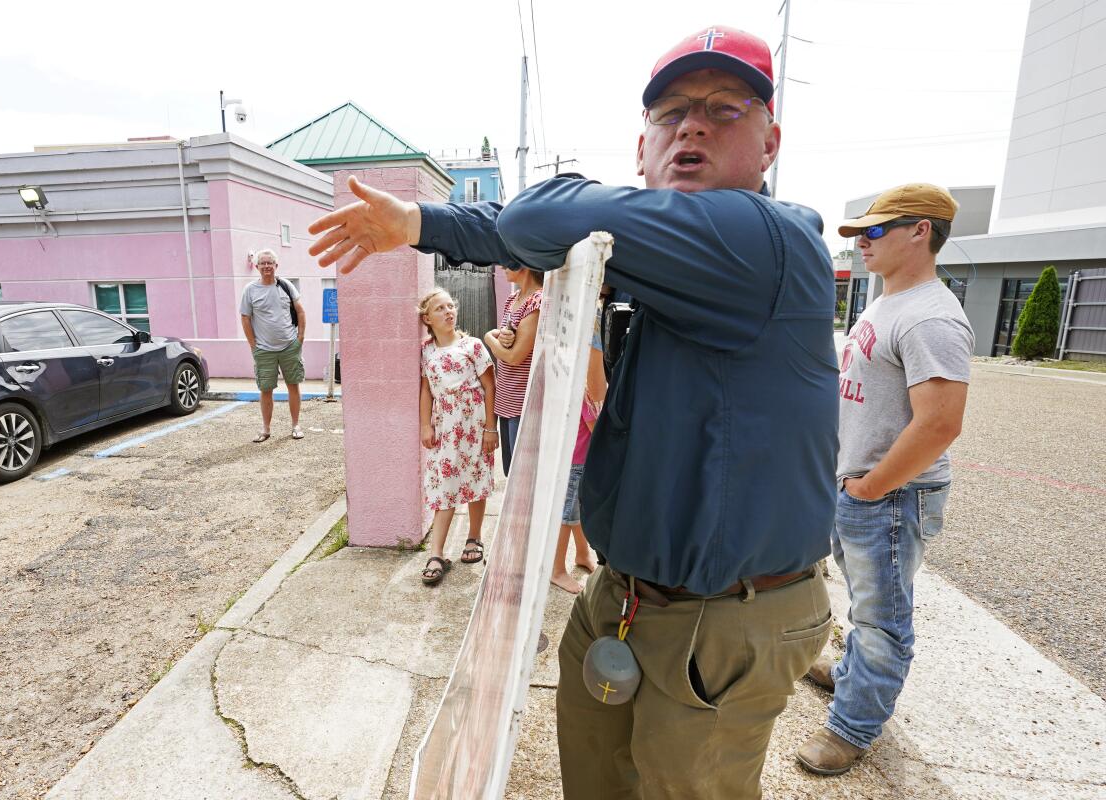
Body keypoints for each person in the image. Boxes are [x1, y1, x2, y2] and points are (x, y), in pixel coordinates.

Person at [308, 25, 838, 800]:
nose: (691, 124)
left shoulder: (765, 242)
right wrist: (419, 224)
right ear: (643, 148)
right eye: (670, 112)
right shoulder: (664, 256)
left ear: (770, 142)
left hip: (722, 618)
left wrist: (531, 205)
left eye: (726, 108)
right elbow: (535, 236)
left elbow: (547, 222)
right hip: (627, 595)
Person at [795, 184, 973, 776]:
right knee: (866, 602)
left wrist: (869, 487)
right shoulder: (887, 302)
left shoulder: (932, 317)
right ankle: (853, 676)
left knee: (882, 618)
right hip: (862, 486)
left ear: (921, 230)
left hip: (890, 495)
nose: (861, 244)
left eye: (874, 232)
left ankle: (852, 727)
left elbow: (941, 424)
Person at [417, 288, 499, 585]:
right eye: (440, 308)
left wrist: (491, 428)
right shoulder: (426, 350)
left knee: (476, 479)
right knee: (444, 486)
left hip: (474, 423)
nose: (448, 311)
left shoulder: (473, 346)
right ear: (427, 318)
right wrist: (425, 425)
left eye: (451, 306)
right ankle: (436, 553)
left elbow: (490, 387)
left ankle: (474, 537)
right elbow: (426, 390)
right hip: (445, 426)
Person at [551, 319, 606, 594]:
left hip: (573, 455)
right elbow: (594, 423)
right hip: (576, 457)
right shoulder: (584, 385)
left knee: (574, 510)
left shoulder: (573, 376)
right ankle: (556, 569)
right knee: (566, 512)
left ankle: (582, 554)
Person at [239, 249, 307, 442]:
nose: (267, 266)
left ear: (276, 266)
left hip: (289, 347)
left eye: (270, 263)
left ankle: (295, 425)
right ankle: (266, 429)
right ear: (257, 266)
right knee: (265, 389)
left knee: (293, 386)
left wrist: (299, 339)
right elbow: (245, 318)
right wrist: (254, 345)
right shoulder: (250, 290)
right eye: (263, 263)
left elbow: (300, 312)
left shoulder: (286, 286)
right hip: (264, 350)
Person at [482, 266, 543, 475]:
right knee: (512, 474)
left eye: (506, 263)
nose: (501, 267)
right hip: (506, 402)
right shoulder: (514, 298)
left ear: (523, 265)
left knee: (522, 477)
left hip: (523, 404)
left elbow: (514, 357)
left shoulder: (537, 302)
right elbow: (508, 337)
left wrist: (489, 338)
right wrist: (500, 335)